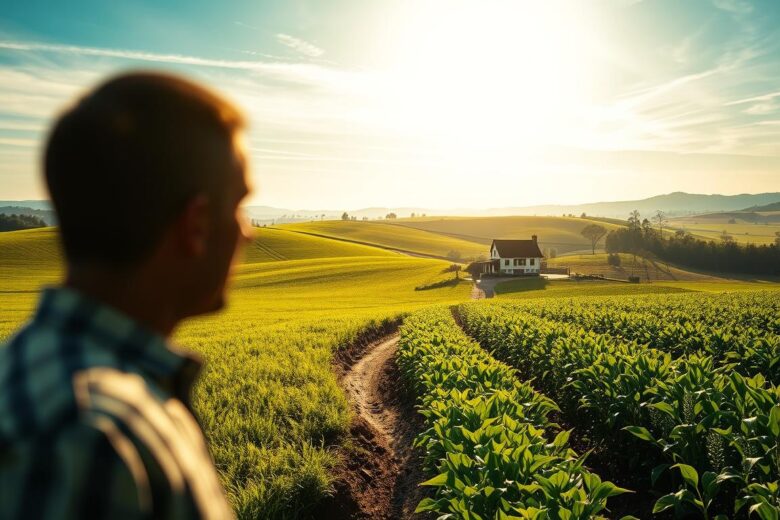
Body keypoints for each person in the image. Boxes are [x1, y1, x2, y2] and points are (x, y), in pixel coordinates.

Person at [0, 72, 252, 518]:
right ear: (196, 224)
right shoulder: (89, 438)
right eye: (239, 206)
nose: (248, 233)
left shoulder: (42, 372)